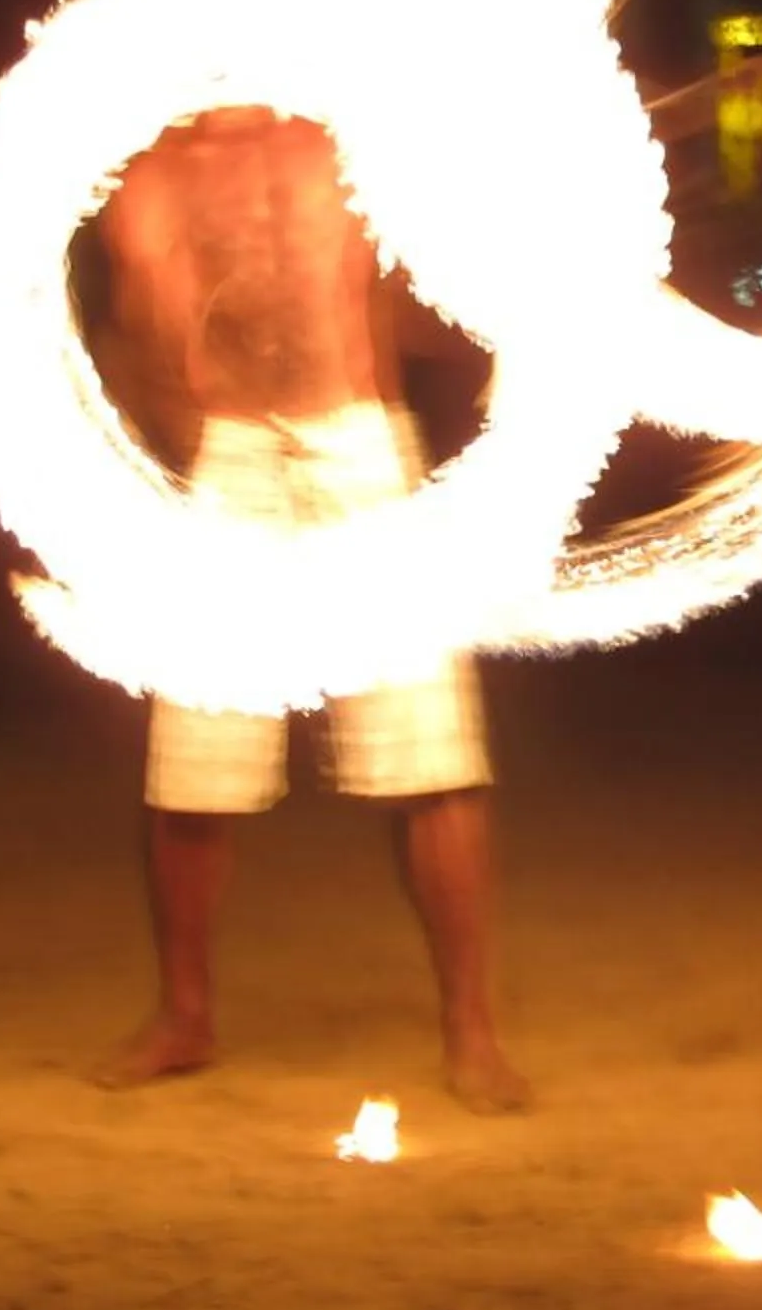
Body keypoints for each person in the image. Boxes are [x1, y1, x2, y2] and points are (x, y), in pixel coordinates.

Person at [90, 102, 531, 1111]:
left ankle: (472, 1032)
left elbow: (441, 280)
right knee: (192, 758)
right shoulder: (151, 164)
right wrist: (143, 477)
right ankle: (184, 1017)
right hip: (229, 456)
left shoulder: (355, 128)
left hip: (357, 443)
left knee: (430, 753)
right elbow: (141, 330)